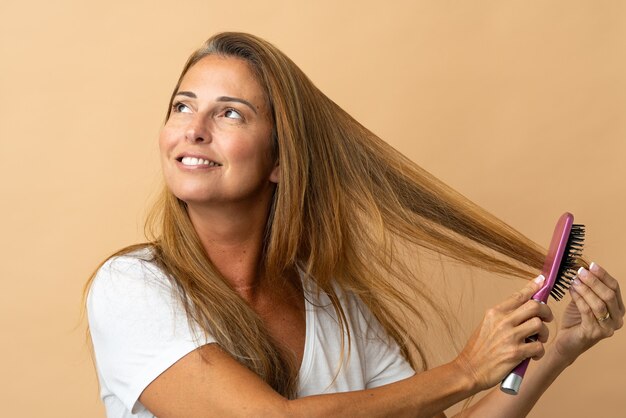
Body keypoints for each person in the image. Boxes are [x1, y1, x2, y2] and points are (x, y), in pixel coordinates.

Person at [85, 32, 624, 418]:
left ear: (279, 160)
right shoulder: (133, 288)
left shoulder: (334, 305)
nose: (193, 130)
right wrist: (464, 370)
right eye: (183, 106)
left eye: (230, 113)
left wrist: (557, 351)